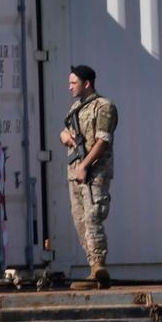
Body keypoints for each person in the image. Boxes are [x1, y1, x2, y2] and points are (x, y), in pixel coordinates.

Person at [59, 65, 118, 290]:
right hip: (77, 172)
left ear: (87, 83)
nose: (70, 86)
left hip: (95, 172)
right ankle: (93, 267)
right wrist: (64, 136)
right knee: (80, 219)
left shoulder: (104, 107)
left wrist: (84, 165)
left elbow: (103, 141)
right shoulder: (76, 109)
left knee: (93, 216)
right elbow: (66, 131)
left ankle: (98, 267)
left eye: (74, 82)